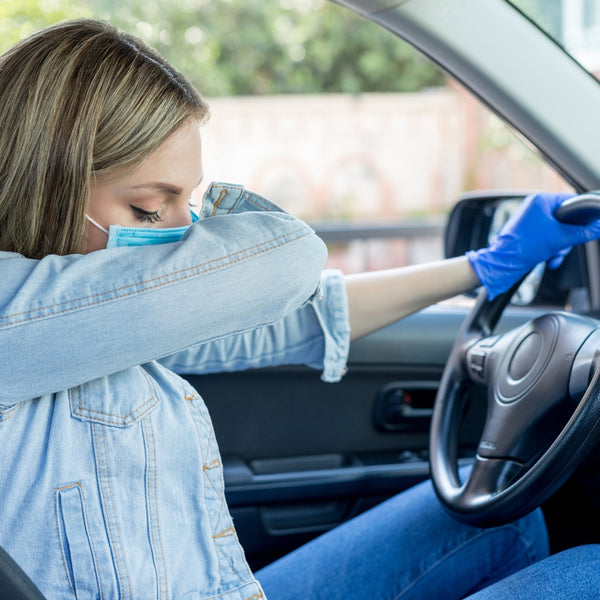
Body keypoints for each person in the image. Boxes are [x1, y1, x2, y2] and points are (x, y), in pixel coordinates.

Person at [0, 19, 599, 600]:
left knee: (500, 518)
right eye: (153, 209)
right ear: (47, 188)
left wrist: (487, 265)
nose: (185, 240)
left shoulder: (101, 322)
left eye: (192, 201)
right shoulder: (17, 322)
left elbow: (298, 318)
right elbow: (286, 259)